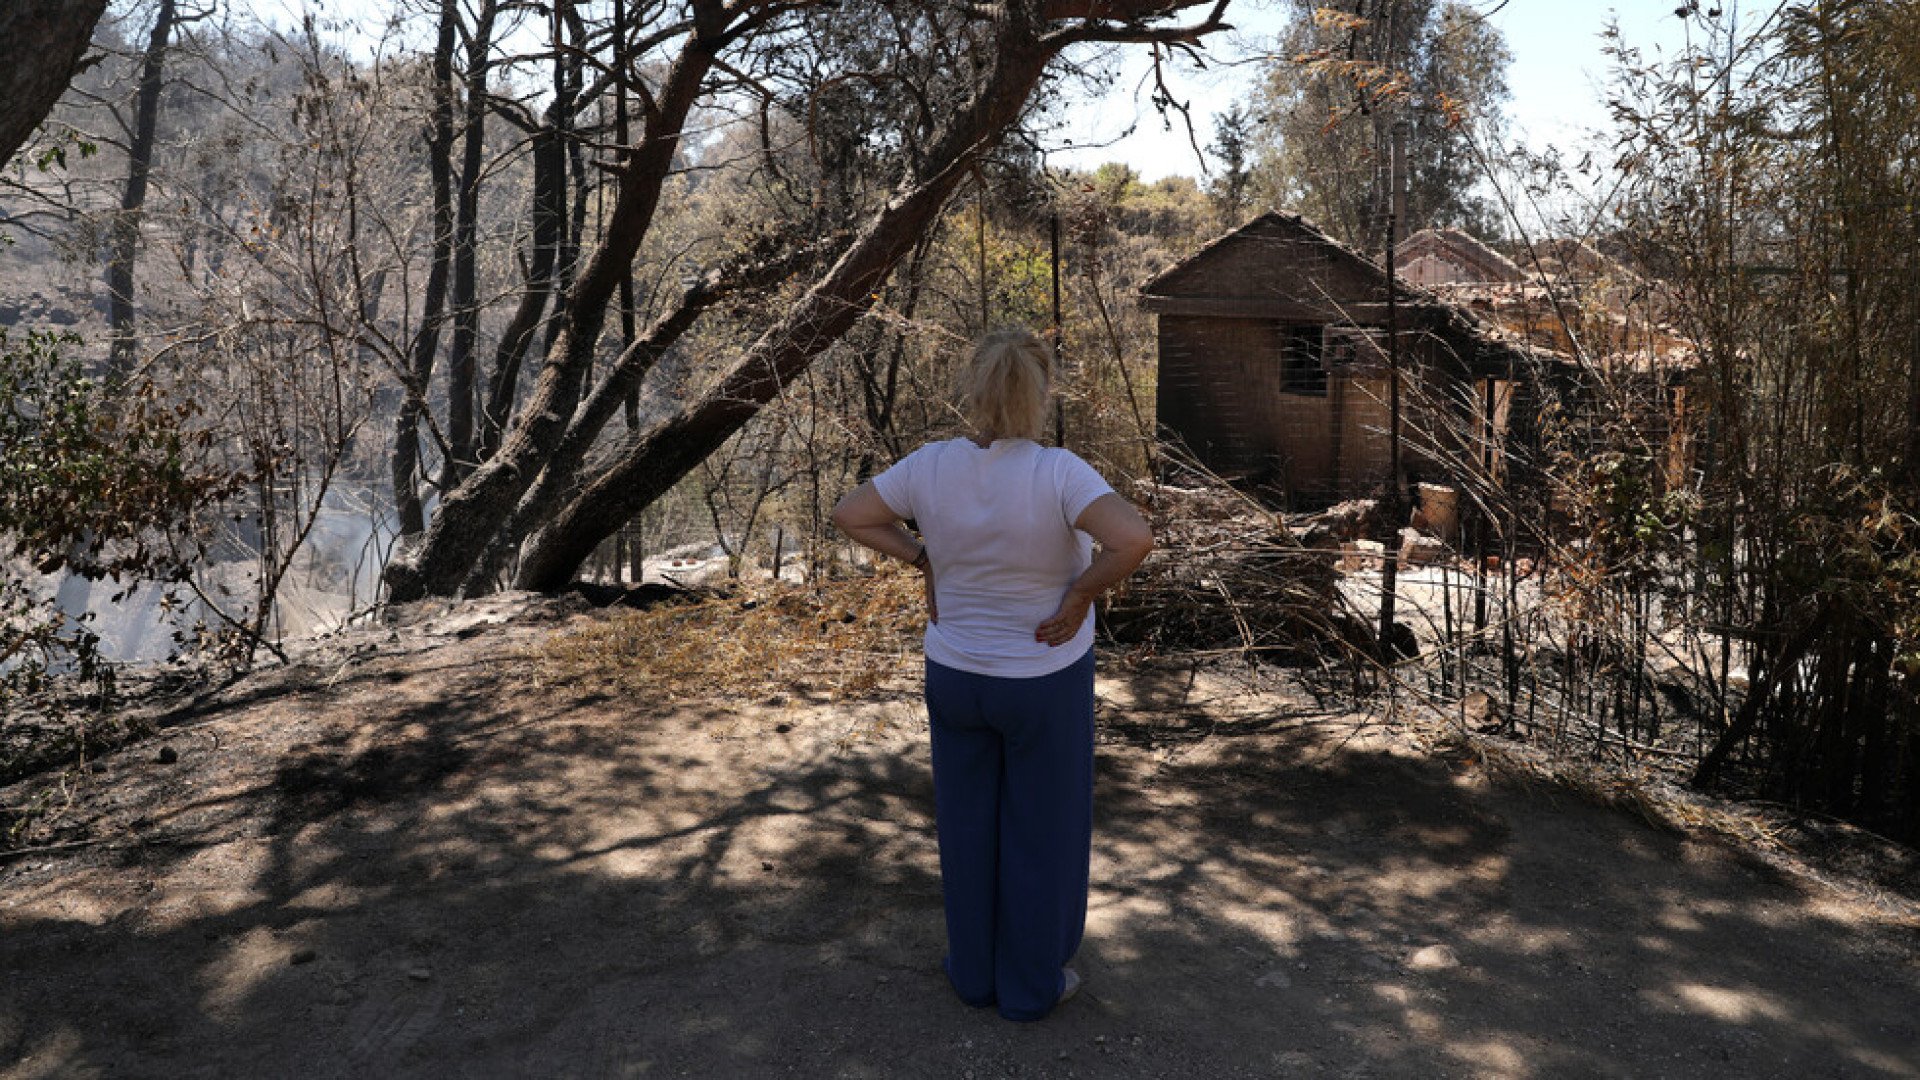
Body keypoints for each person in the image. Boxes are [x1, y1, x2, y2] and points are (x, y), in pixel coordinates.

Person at [831, 328, 1153, 1021]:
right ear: (1041, 393)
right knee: (1043, 831)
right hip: (1041, 679)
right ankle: (1031, 987)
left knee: (967, 824)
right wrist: (1078, 594)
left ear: (973, 389)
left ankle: (973, 974)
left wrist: (925, 561)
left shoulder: (929, 466)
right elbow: (1134, 538)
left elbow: (851, 514)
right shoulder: (1059, 472)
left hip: (955, 675)